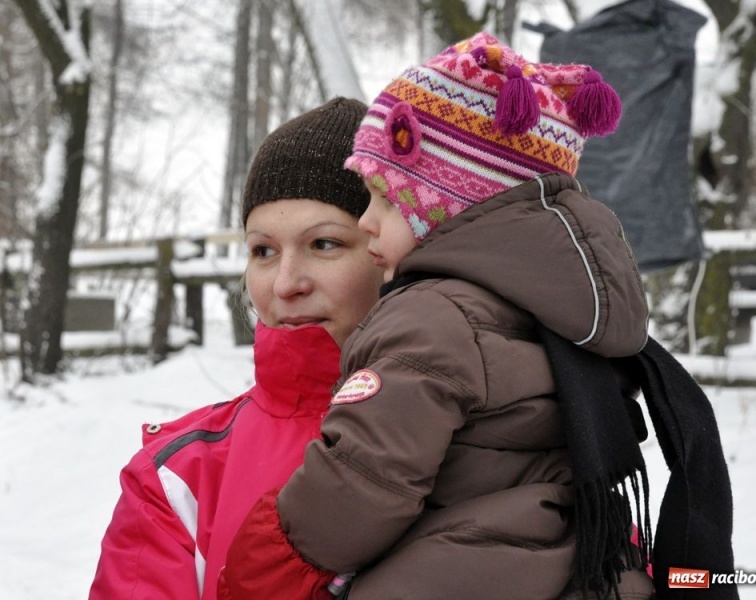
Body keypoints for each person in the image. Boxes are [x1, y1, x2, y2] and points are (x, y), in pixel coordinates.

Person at [218, 32, 657, 600]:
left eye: (383, 197)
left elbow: (360, 485)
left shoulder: (429, 317)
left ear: (449, 203)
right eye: (262, 250)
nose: (367, 221)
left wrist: (251, 573)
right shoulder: (553, 311)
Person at [88, 97, 386, 599]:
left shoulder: (488, 435)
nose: (285, 283)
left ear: (389, 253)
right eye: (263, 251)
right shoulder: (179, 479)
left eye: (324, 244)